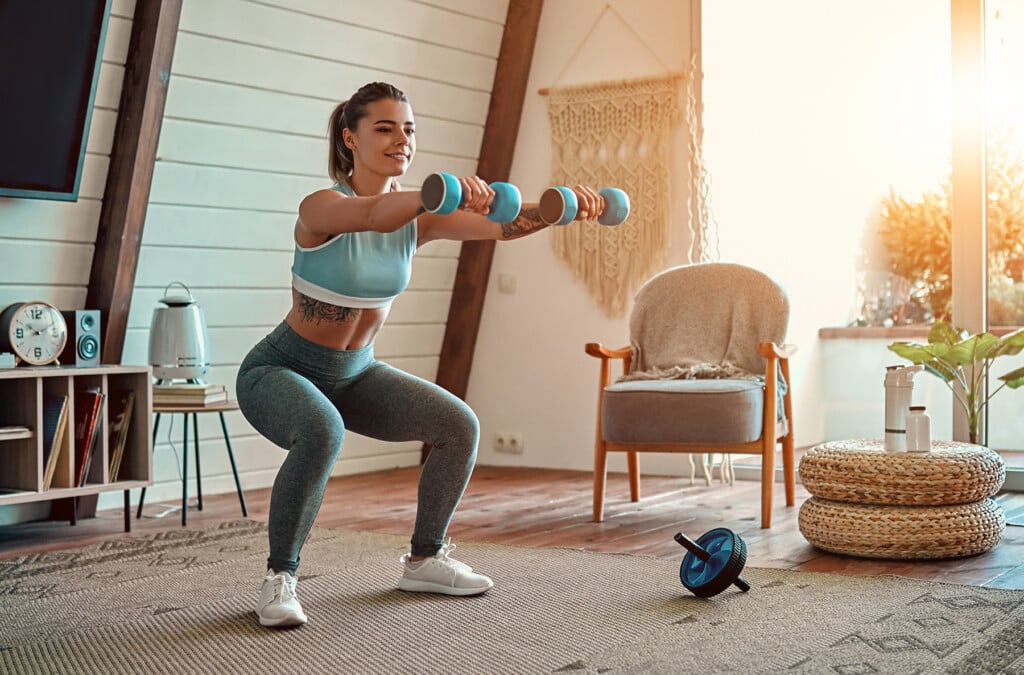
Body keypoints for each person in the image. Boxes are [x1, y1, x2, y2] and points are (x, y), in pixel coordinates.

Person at [235, 81, 604, 628]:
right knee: (322, 431)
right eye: (384, 128)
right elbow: (377, 214)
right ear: (349, 138)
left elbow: (503, 225)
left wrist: (560, 208)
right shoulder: (321, 207)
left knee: (457, 424)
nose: (401, 138)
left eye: (408, 129)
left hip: (356, 374)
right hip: (280, 369)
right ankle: (279, 580)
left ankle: (426, 559)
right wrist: (442, 192)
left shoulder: (422, 215)